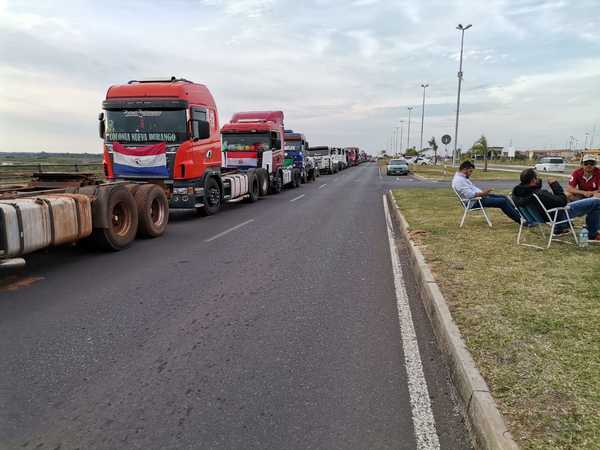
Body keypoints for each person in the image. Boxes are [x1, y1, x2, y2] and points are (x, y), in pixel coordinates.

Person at [512, 168, 600, 240]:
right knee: (596, 201)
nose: (538, 179)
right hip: (558, 215)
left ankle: (559, 229)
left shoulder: (517, 193)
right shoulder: (540, 194)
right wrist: (555, 184)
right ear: (533, 180)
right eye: (537, 177)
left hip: (540, 217)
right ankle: (591, 234)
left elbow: (548, 198)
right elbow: (562, 201)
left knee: (574, 198)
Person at [451, 160, 521, 223]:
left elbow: (471, 190)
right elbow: (470, 195)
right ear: (464, 169)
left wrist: (483, 194)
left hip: (479, 198)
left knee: (504, 197)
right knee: (502, 201)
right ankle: (520, 220)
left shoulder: (462, 178)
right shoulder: (459, 180)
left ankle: (520, 214)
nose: (471, 173)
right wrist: (483, 193)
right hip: (473, 202)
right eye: (470, 171)